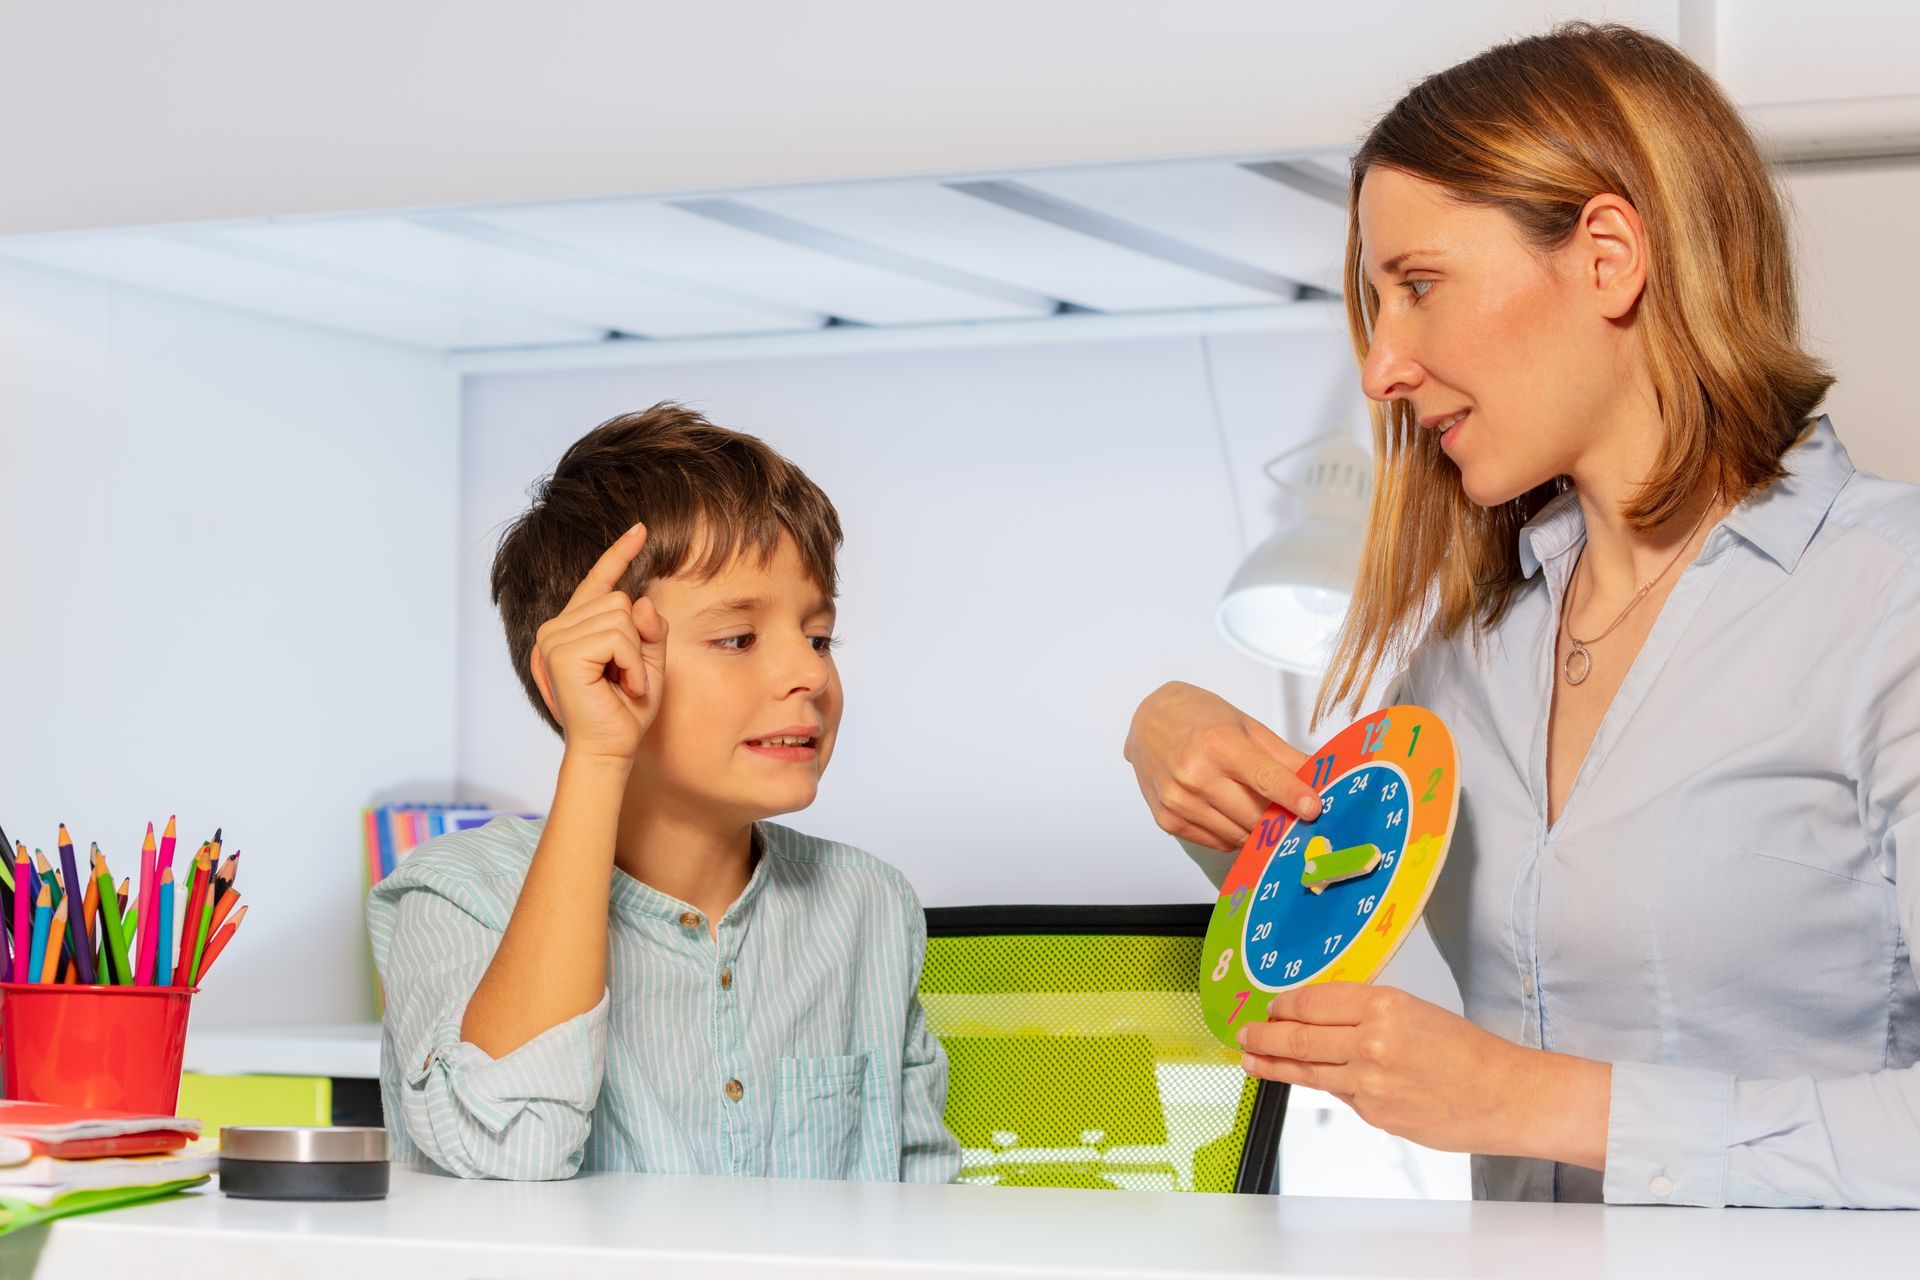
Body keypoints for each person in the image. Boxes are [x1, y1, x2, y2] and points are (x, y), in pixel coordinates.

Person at [1125, 23, 1920, 1208]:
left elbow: (1487, 1081)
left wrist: (1536, 1098)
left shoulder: (1883, 600)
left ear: (1607, 256)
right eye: (1376, 302)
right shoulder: (1470, 657)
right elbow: (1328, 951)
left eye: (1421, 287)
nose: (1382, 366)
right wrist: (1182, 755)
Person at [368, 403, 959, 1183]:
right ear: (592, 670)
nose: (811, 674)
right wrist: (597, 753)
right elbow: (510, 1149)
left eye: (819, 636)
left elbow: (921, 1200)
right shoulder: (455, 895)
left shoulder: (868, 906)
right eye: (738, 638)